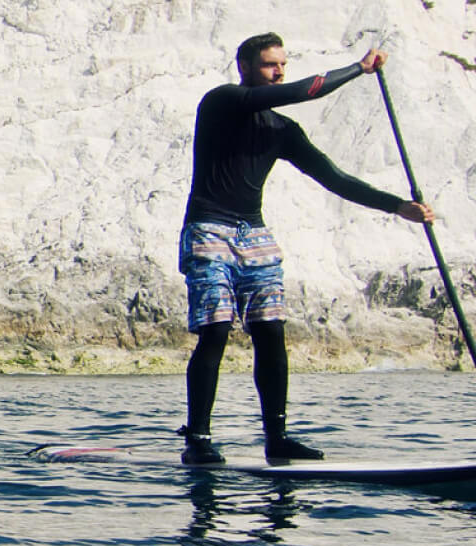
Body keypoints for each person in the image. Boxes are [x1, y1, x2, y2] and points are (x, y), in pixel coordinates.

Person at [176, 34, 433, 466]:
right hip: (209, 228)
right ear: (244, 67)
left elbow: (334, 178)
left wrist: (399, 207)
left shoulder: (282, 130)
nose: (278, 72)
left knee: (271, 333)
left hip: (255, 235)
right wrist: (358, 68)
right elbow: (302, 91)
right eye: (269, 65)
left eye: (282, 65)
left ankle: (277, 437)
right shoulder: (222, 101)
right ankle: (198, 438)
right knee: (216, 330)